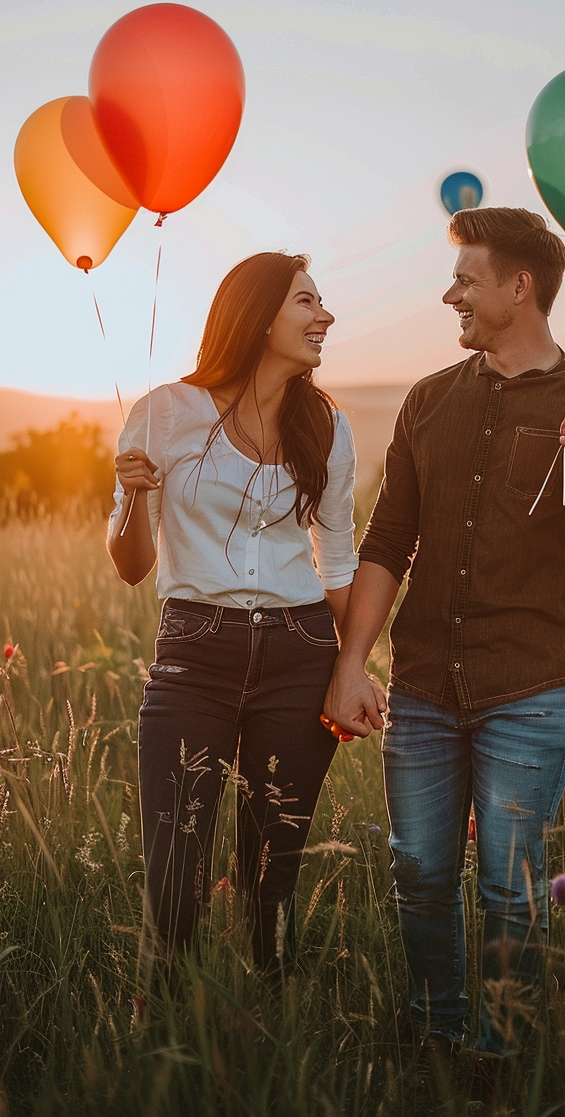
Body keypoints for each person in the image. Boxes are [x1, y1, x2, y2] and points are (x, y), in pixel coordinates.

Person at [324, 207, 565, 1076]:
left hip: (533, 686)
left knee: (509, 888)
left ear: (520, 288)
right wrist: (351, 663)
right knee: (418, 874)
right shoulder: (427, 402)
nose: (453, 297)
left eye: (467, 280)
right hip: (426, 687)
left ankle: (504, 1057)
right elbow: (386, 544)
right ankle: (438, 1037)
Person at [107, 251, 358, 983]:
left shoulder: (327, 428)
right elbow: (130, 565)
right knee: (175, 884)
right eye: (308, 302)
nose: (325, 316)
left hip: (300, 650)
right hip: (194, 656)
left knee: (271, 885)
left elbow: (337, 564)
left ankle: (269, 1026)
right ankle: (163, 1044)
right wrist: (134, 496)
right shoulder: (166, 413)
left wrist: (355, 666)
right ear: (258, 316)